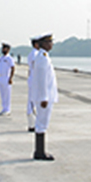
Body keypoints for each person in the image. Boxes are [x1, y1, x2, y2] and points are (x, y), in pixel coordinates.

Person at [29, 33, 58, 161]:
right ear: (43, 44)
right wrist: (44, 97)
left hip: (44, 96)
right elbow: (41, 80)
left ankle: (39, 151)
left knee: (42, 123)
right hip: (44, 98)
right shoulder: (43, 58)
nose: (51, 44)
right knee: (41, 124)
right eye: (49, 42)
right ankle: (39, 152)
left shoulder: (43, 57)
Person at [0, 43, 15, 115]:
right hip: (1, 77)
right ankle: (4, 108)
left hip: (6, 77)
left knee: (7, 94)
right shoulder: (1, 58)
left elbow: (13, 68)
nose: (3, 50)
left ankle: (7, 109)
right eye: (2, 48)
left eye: (4, 48)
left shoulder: (9, 58)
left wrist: (11, 78)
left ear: (8, 49)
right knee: (2, 94)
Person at [26, 37, 39, 132]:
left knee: (33, 102)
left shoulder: (35, 53)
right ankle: (32, 124)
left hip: (33, 80)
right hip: (34, 81)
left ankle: (33, 124)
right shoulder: (35, 54)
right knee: (32, 103)